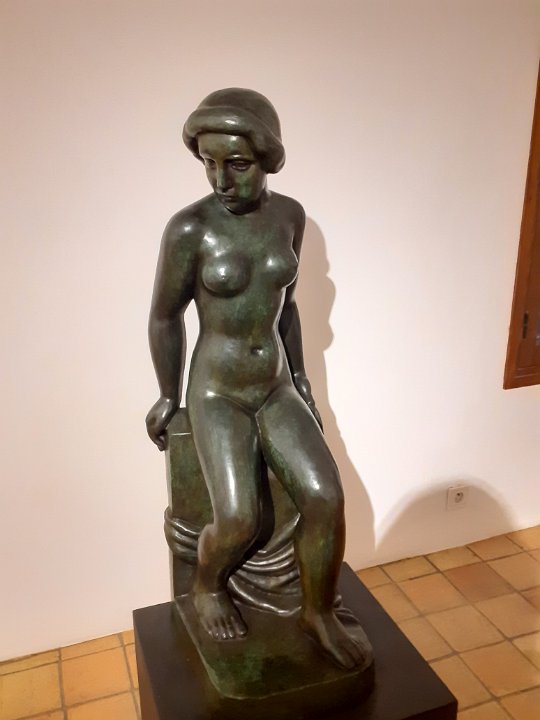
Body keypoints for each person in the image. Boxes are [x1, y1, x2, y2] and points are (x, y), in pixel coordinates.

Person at [146, 88, 367, 670]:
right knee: (239, 517)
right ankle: (207, 586)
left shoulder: (289, 216)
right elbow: (165, 316)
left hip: (274, 385)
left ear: (268, 157)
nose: (221, 179)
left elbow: (285, 308)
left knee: (325, 496)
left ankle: (318, 612)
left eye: (237, 164)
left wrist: (302, 379)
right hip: (218, 390)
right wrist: (168, 395)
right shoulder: (189, 229)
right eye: (209, 163)